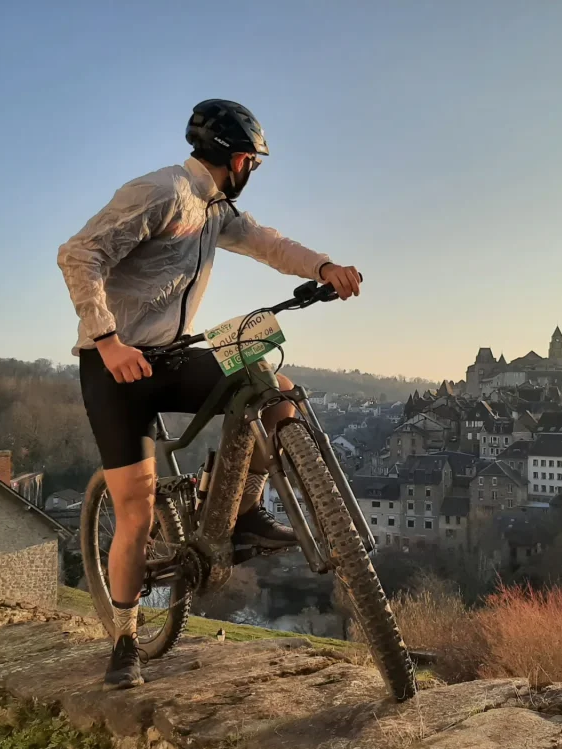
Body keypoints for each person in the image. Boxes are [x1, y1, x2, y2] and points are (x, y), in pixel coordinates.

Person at [57, 100, 362, 689]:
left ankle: (242, 510)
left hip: (172, 356)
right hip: (114, 365)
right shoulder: (164, 192)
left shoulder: (217, 210)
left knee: (270, 385)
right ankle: (123, 645)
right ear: (237, 157)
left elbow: (269, 243)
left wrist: (323, 266)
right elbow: (79, 254)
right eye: (254, 160)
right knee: (137, 515)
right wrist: (107, 338)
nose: (254, 171)